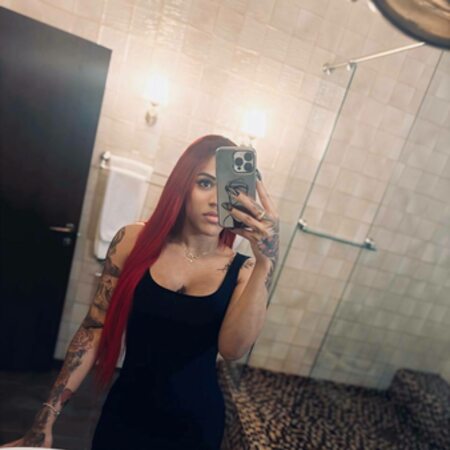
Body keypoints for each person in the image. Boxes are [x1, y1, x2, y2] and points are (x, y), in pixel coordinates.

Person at [1, 135, 279, 449]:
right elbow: (94, 329)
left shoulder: (244, 271)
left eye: (228, 188)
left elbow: (232, 349)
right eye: (204, 183)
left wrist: (265, 262)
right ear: (182, 186)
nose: (216, 200)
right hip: (126, 414)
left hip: (194, 427)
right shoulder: (133, 241)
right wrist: (47, 415)